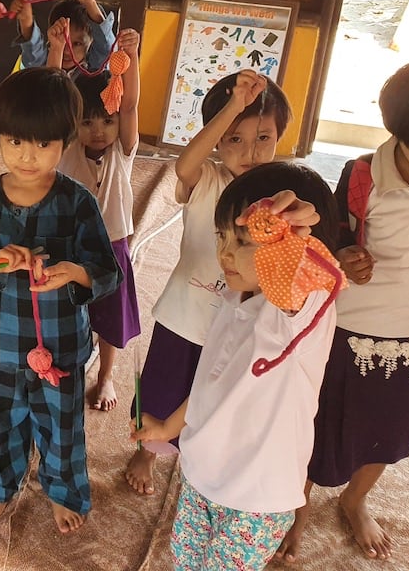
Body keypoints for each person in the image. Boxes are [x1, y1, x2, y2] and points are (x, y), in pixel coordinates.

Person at [275, 50, 409, 563]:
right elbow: (331, 238)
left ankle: (356, 500)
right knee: (319, 425)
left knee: (391, 429)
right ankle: (297, 508)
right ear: (400, 134)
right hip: (349, 326)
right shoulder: (364, 177)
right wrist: (344, 255)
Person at [0, 68, 121, 534]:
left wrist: (76, 273)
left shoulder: (77, 203)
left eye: (42, 144)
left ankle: (62, 490)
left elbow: (106, 272)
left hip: (60, 348)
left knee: (63, 430)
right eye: (15, 141)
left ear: (66, 140)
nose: (28, 156)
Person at [134, 162, 342, 571]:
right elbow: (212, 387)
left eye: (245, 240)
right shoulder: (233, 300)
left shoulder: (298, 315)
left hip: (256, 500)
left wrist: (296, 246)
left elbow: (303, 284)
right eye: (222, 236)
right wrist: (167, 429)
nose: (224, 252)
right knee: (184, 561)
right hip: (201, 478)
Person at [124, 69, 292, 495]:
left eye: (263, 138)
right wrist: (235, 105)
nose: (250, 151)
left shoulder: (281, 197)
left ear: (280, 140)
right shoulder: (208, 180)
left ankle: (194, 454)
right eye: (235, 138)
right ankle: (146, 452)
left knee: (213, 397)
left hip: (237, 325)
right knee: (161, 392)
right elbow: (183, 164)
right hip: (185, 316)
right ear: (217, 140)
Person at [54, 30, 143, 411]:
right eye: (87, 122)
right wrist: (57, 50)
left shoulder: (123, 150)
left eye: (106, 121)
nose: (97, 130)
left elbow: (130, 107)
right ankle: (66, 367)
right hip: (71, 248)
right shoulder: (66, 149)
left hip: (113, 245)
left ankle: (106, 375)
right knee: (66, 313)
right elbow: (52, 101)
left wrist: (132, 58)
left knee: (110, 317)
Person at [12, 0, 115, 76]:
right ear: (51, 37)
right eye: (63, 41)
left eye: (77, 43)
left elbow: (106, 48)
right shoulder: (42, 63)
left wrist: (91, 4)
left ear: (91, 42)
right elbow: (33, 55)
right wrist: (26, 20)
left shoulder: (93, 67)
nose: (67, 51)